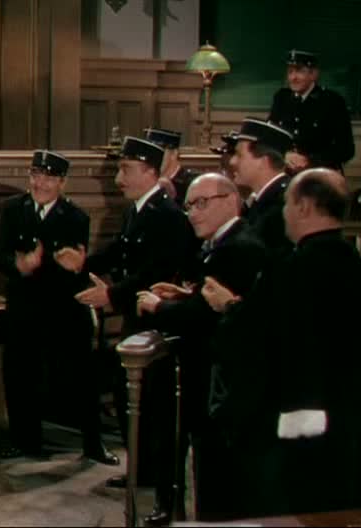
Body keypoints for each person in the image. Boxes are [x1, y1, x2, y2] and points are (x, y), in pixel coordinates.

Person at [202, 168, 361, 518]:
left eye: (288, 203)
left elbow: (256, 340)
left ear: (304, 206)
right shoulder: (353, 264)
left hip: (289, 430)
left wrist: (229, 308)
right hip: (347, 424)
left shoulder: (290, 269)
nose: (284, 212)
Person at [136, 173, 266, 522]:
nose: (193, 213)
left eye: (201, 203)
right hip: (208, 373)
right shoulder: (220, 245)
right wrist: (185, 295)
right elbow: (207, 300)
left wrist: (159, 307)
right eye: (189, 206)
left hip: (220, 376)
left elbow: (206, 314)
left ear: (231, 200)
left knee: (216, 474)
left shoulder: (237, 247)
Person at [75, 137, 197, 489]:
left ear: (150, 173)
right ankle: (142, 472)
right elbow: (119, 252)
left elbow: (156, 272)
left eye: (126, 170)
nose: (119, 179)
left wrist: (111, 294)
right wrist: (84, 264)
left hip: (158, 320)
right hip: (136, 317)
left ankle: (160, 478)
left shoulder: (167, 216)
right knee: (131, 396)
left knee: (154, 401)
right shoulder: (138, 211)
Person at [0, 150, 119, 465]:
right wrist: (18, 264)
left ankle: (93, 444)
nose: (40, 183)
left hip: (63, 308)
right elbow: (0, 254)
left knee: (82, 377)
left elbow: (74, 266)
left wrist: (61, 265)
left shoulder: (75, 217)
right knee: (20, 375)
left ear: (62, 183)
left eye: (49, 178)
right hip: (24, 307)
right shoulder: (14, 210)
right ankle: (24, 440)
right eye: (36, 175)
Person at [268, 49, 355, 173]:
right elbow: (269, 137)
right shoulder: (282, 98)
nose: (293, 77)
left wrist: (309, 161)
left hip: (318, 173)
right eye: (290, 72)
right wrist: (284, 154)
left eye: (299, 71)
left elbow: (346, 149)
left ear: (313, 74)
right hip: (285, 172)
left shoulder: (332, 101)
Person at [229, 117, 295, 257]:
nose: (232, 161)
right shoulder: (262, 201)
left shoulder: (282, 204)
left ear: (263, 161)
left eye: (239, 155)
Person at [144, 127, 199, 208]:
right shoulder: (146, 182)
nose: (151, 160)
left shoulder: (194, 184)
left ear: (174, 154)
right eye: (148, 154)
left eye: (157, 153)